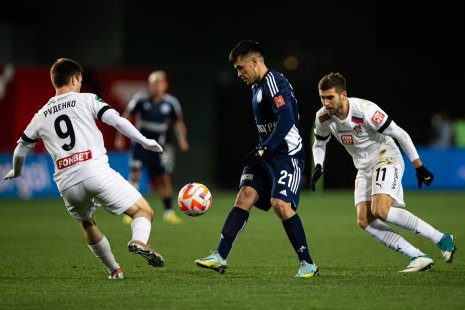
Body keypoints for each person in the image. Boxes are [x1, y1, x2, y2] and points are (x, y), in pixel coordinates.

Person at [3, 58, 165, 280]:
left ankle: (114, 270)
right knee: (143, 210)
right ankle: (138, 240)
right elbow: (116, 121)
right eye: (79, 79)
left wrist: (17, 171)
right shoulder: (86, 99)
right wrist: (145, 141)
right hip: (94, 171)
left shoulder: (40, 115)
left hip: (67, 183)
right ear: (74, 78)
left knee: (87, 223)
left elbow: (21, 149)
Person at [195, 40, 319, 278]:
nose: (239, 74)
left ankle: (307, 263)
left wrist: (267, 147)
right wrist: (263, 149)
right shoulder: (256, 88)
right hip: (265, 153)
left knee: (281, 205)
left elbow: (286, 120)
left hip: (287, 155)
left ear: (254, 61)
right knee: (244, 196)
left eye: (241, 68)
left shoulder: (274, 82)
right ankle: (220, 256)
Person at [311, 72, 456, 272]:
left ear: (343, 94)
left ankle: (440, 238)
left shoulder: (366, 110)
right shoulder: (323, 117)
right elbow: (319, 143)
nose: (325, 102)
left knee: (380, 210)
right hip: (363, 167)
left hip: (386, 156)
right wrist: (319, 164)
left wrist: (419, 166)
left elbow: (400, 134)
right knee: (364, 220)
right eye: (322, 97)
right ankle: (417, 256)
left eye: (330, 97)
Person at [114, 70, 189, 225]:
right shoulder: (141, 99)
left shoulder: (171, 103)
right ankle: (131, 211)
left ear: (165, 85)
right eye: (152, 83)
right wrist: (119, 136)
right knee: (135, 177)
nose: (155, 86)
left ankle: (169, 212)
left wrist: (182, 139)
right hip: (140, 145)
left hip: (159, 148)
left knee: (164, 179)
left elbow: (178, 123)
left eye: (158, 83)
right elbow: (126, 116)